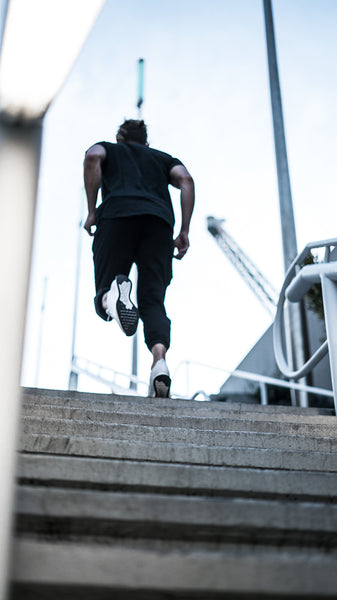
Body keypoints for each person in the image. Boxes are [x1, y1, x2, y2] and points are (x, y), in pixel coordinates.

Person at [83, 119, 194, 397]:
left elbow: (93, 156)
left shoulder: (109, 149)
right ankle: (160, 363)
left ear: (120, 137)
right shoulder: (163, 159)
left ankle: (111, 297)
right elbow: (187, 181)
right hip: (158, 224)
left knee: (104, 292)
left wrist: (91, 210)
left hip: (117, 215)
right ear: (146, 140)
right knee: (153, 301)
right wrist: (184, 230)